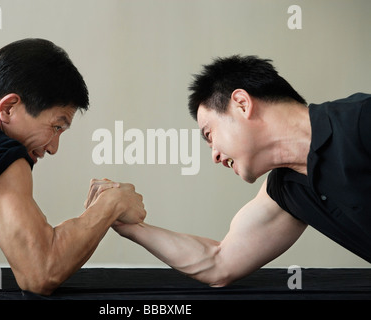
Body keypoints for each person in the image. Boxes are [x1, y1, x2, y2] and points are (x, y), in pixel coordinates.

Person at [88, 55, 371, 287]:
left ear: (242, 104)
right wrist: (128, 226)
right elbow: (218, 263)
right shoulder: (286, 192)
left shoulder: (361, 120)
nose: (214, 156)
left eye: (209, 134)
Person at [0, 38, 146, 295]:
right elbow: (40, 271)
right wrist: (112, 203)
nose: (53, 148)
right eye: (56, 127)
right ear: (8, 107)